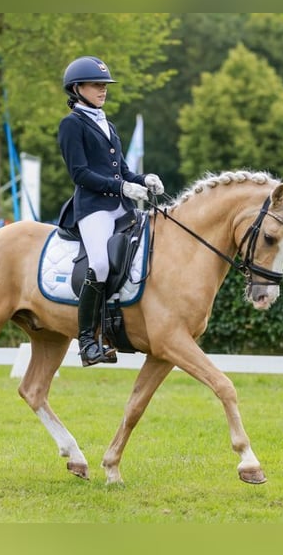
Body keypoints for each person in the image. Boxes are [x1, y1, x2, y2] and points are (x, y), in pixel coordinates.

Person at [57, 56, 164, 366]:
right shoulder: (72, 125)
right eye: (96, 85)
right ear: (77, 88)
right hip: (94, 209)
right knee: (101, 265)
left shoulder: (108, 123)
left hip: (122, 206)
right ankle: (88, 341)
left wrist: (144, 180)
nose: (103, 90)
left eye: (104, 85)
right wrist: (120, 188)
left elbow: (124, 171)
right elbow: (80, 174)